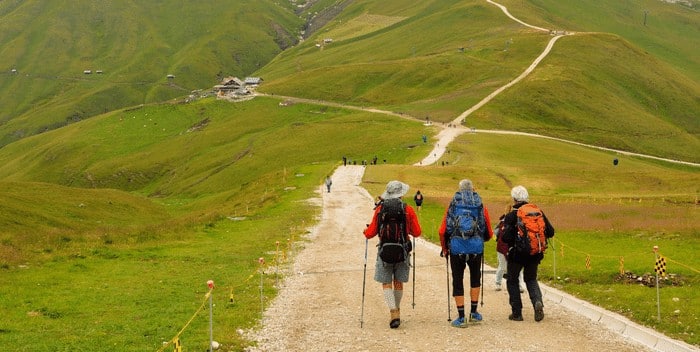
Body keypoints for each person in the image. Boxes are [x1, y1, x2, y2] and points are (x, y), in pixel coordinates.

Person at [363, 180, 422, 329]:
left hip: (384, 251)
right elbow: (417, 232)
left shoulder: (380, 210)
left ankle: (393, 311)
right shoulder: (408, 209)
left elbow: (370, 234)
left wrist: (366, 231)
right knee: (398, 282)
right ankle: (397, 309)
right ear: (401, 194)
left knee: (386, 282)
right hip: (402, 251)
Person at [438, 179, 493, 328]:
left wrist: (445, 248)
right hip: (476, 248)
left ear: (459, 189)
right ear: (472, 188)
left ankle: (461, 317)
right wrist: (482, 240)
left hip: (457, 248)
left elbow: (444, 230)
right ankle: (474, 313)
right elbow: (487, 229)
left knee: (458, 280)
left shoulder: (454, 204)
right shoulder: (479, 204)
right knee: (475, 278)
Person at [501, 185, 555, 322]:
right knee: (531, 279)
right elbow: (551, 231)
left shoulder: (512, 215)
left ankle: (517, 313)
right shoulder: (538, 212)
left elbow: (505, 238)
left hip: (517, 255)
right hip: (535, 253)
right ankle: (537, 302)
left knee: (512, 280)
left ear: (514, 199)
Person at [494, 206, 525, 293]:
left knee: (517, 267)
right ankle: (498, 283)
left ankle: (519, 285)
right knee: (503, 266)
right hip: (502, 248)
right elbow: (495, 233)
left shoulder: (519, 222)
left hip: (514, 247)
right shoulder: (502, 223)